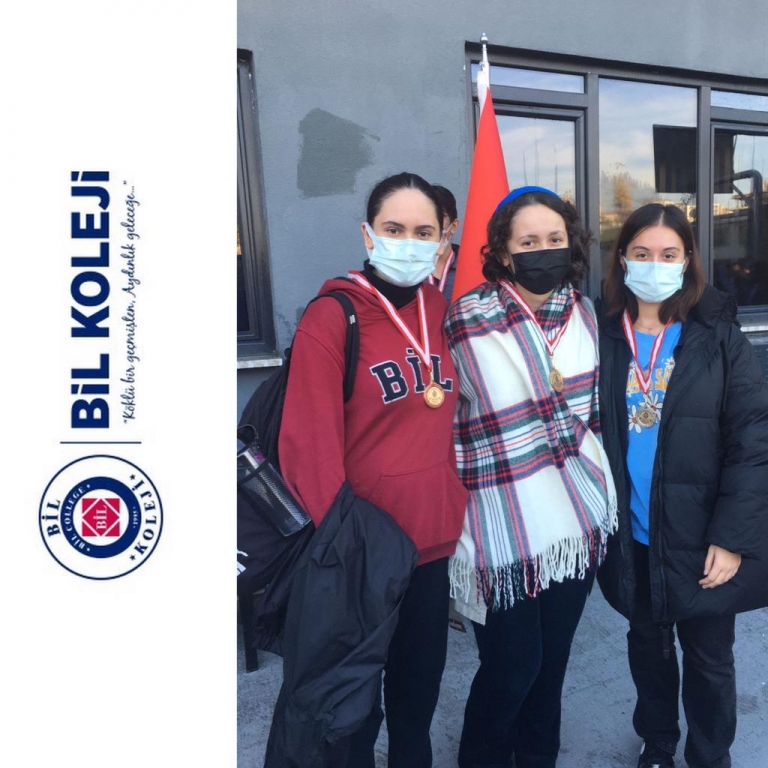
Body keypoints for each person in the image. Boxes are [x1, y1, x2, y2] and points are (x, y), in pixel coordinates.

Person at [276, 171, 468, 767]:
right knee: (352, 712)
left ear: (442, 241)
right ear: (368, 234)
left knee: (416, 698)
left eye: (423, 232)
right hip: (361, 554)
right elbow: (307, 447)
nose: (408, 242)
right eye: (394, 228)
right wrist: (348, 548)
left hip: (429, 547)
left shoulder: (440, 308)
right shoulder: (333, 315)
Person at [445, 186, 618, 768]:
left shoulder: (587, 315)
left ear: (571, 244)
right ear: (502, 251)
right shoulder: (464, 322)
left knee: (553, 664)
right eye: (528, 241)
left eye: (554, 239)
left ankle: (538, 757)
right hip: (499, 528)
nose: (543, 250)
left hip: (575, 521)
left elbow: (595, 415)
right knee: (512, 668)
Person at [596, 203, 768, 768]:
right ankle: (659, 742)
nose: (655, 265)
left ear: (688, 259)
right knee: (647, 646)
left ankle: (710, 755)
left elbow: (753, 439)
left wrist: (732, 536)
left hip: (702, 537)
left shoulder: (717, 335)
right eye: (642, 253)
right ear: (623, 259)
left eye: (669, 254)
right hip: (633, 535)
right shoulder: (601, 334)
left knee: (710, 659)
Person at [429, 184, 460, 301]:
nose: (432, 224)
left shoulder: (471, 267)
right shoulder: (406, 268)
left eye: (440, 216)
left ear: (454, 226)